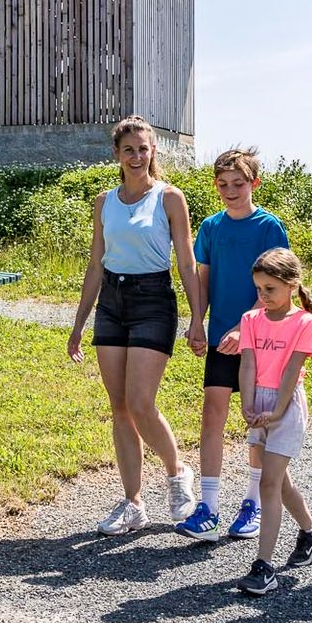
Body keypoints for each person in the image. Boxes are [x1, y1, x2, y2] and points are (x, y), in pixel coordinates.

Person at [69, 116, 205, 535]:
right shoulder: (104, 202)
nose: (136, 156)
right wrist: (79, 324)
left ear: (153, 151)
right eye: (128, 149)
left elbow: (186, 263)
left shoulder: (169, 198)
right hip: (112, 302)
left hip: (153, 301)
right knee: (120, 408)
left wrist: (197, 319)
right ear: (116, 153)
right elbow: (96, 264)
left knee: (141, 402)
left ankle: (177, 472)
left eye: (143, 149)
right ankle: (133, 503)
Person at [177, 147, 290, 543]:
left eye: (238, 183)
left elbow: (278, 284)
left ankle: (252, 504)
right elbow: (203, 279)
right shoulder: (211, 228)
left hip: (263, 339)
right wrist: (197, 321)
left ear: (253, 183)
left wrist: (247, 328)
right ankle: (208, 508)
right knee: (212, 413)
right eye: (223, 184)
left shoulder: (269, 227)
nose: (230, 190)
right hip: (221, 337)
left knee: (257, 422)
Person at [234, 248, 312, 596]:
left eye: (270, 289)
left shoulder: (304, 323)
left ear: (292, 285)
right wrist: (247, 404)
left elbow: (291, 370)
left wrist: (276, 411)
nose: (263, 295)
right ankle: (311, 530)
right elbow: (247, 364)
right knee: (278, 481)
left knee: (268, 483)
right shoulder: (250, 319)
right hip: (258, 403)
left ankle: (264, 566)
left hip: (286, 405)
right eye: (259, 289)